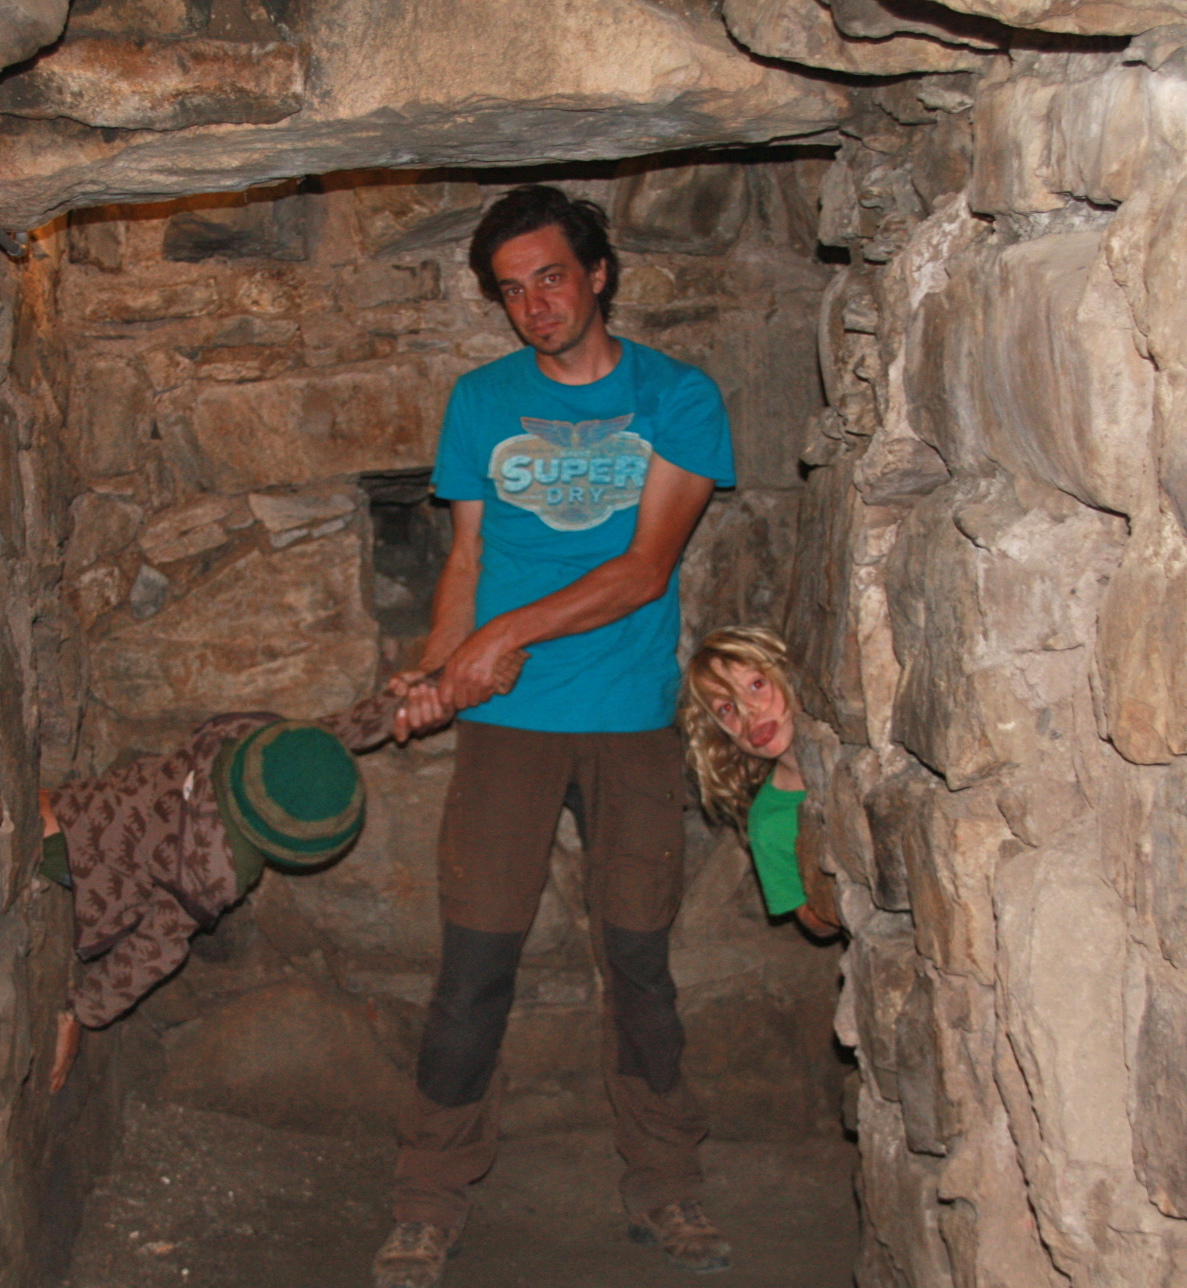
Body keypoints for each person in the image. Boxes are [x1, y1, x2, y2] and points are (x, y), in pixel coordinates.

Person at [374, 184, 736, 1288]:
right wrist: (440, 673)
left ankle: (666, 1182)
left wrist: (503, 637)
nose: (534, 304)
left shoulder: (677, 396)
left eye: (550, 277)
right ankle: (428, 1198)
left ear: (598, 274)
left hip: (629, 720)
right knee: (473, 966)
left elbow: (643, 570)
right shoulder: (481, 400)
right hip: (507, 729)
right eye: (511, 290)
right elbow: (467, 560)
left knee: (639, 963)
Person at [39, 695, 393, 1093]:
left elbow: (315, 742)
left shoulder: (243, 738)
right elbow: (153, 949)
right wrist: (82, 1014)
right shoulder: (212, 869)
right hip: (70, 851)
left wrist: (394, 706)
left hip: (89, 799)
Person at [678, 626, 842, 939]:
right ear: (721, 734)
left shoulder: (851, 751)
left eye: (756, 685)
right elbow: (815, 924)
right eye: (726, 708)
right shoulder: (768, 820)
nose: (749, 711)